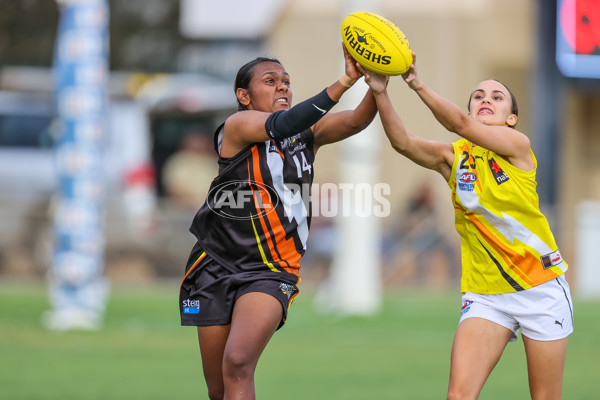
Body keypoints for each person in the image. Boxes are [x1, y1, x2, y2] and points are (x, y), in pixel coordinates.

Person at [359, 53, 573, 400]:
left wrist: (415, 83)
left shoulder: (519, 148)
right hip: (486, 294)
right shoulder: (454, 158)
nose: (486, 99)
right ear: (472, 109)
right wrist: (381, 91)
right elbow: (403, 143)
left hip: (540, 288)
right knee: (458, 396)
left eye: (497, 96)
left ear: (511, 119)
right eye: (478, 96)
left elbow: (458, 123)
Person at [179, 45, 377, 400]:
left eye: (286, 81)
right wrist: (345, 79)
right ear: (244, 95)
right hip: (215, 264)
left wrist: (377, 82)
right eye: (270, 81)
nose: (282, 87)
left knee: (238, 361)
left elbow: (356, 120)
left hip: (270, 268)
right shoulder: (237, 125)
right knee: (217, 389)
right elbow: (282, 123)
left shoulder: (306, 132)